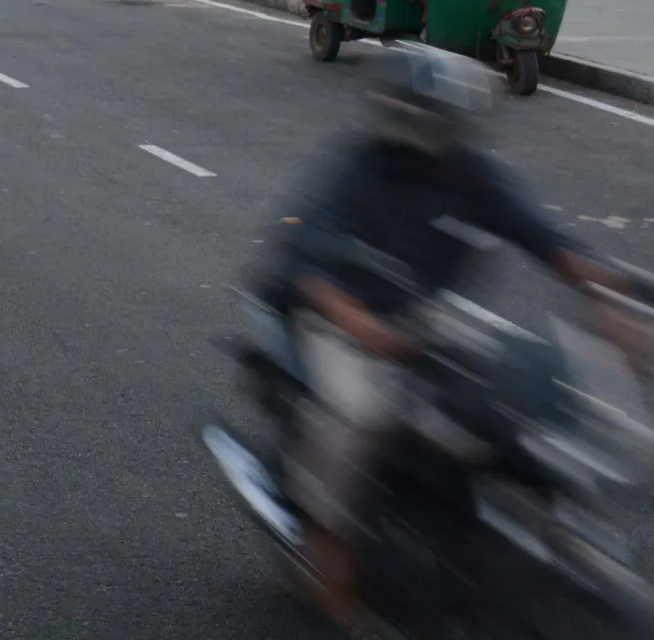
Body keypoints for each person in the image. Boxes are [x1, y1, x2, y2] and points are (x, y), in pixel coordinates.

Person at [272, 46, 644, 629]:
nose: (447, 129)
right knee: (359, 419)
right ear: (403, 112)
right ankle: (327, 563)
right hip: (342, 322)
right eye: (433, 116)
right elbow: (304, 265)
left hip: (420, 317)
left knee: (516, 389)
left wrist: (611, 293)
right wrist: (366, 327)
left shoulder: (468, 171)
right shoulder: (358, 170)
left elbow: (545, 239)